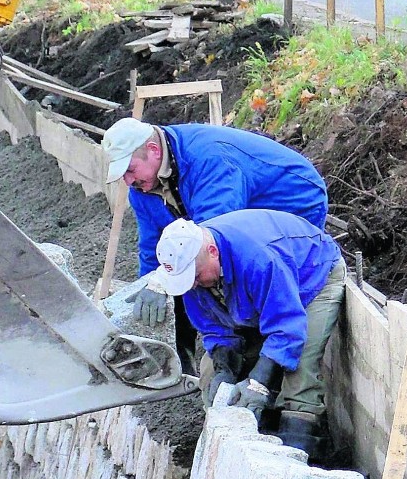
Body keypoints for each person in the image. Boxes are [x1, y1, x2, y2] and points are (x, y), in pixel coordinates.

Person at [101, 118, 329, 336]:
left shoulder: (209, 158)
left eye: (130, 170)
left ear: (154, 150)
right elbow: (153, 248)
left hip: (292, 202)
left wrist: (162, 280)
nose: (128, 181)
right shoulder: (142, 189)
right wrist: (150, 284)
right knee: (191, 274)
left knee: (240, 272)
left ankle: (267, 342)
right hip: (238, 213)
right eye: (123, 175)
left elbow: (215, 231)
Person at [153, 211, 347, 462]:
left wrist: (258, 383)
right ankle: (243, 442)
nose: (192, 285)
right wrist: (225, 367)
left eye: (196, 277)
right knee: (210, 372)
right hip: (260, 295)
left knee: (300, 367)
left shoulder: (258, 259)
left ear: (212, 251)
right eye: (186, 281)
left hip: (312, 278)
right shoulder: (191, 274)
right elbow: (215, 329)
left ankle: (301, 448)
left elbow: (286, 327)